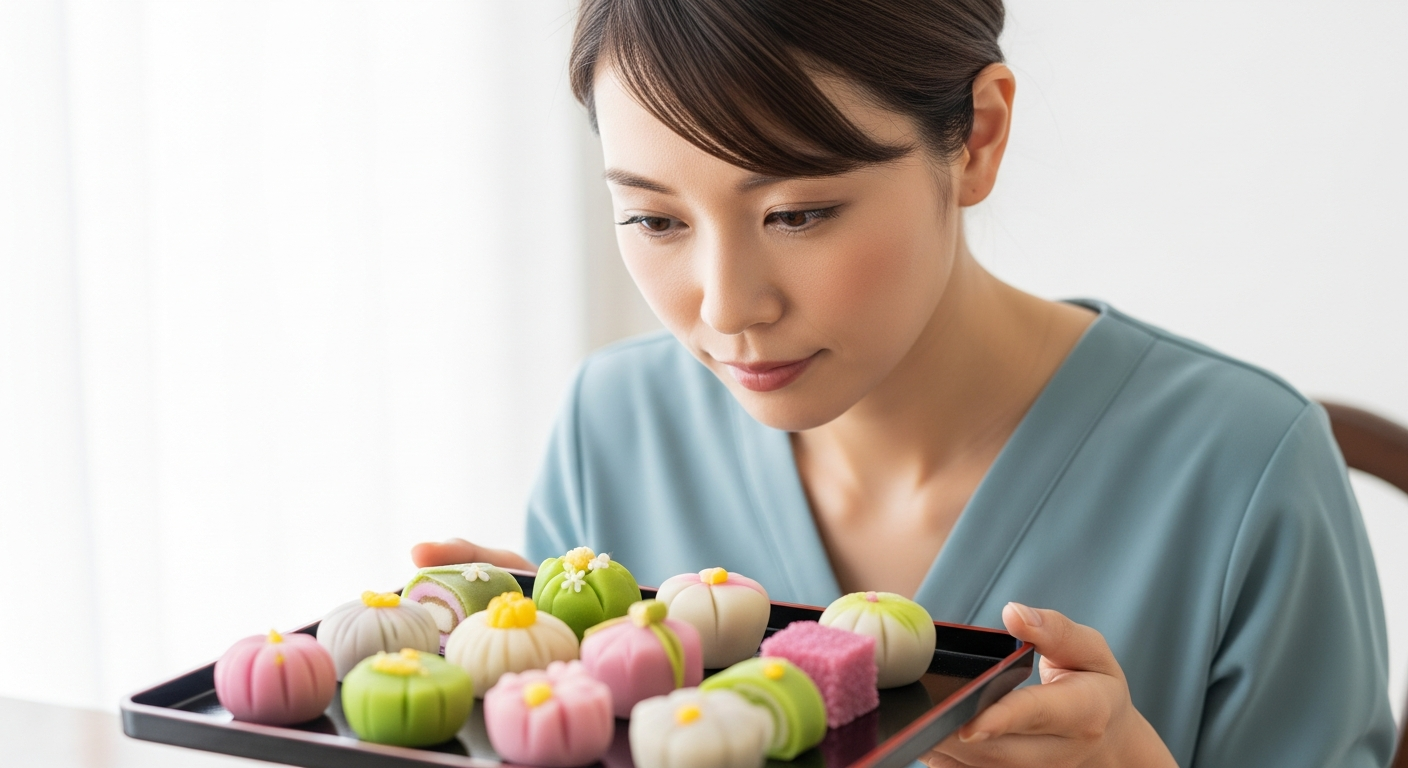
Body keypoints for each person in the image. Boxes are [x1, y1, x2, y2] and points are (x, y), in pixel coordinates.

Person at [414, 1, 1396, 765]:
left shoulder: (1243, 468)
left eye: (796, 214)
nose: (726, 309)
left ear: (976, 137)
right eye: (656, 221)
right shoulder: (612, 429)